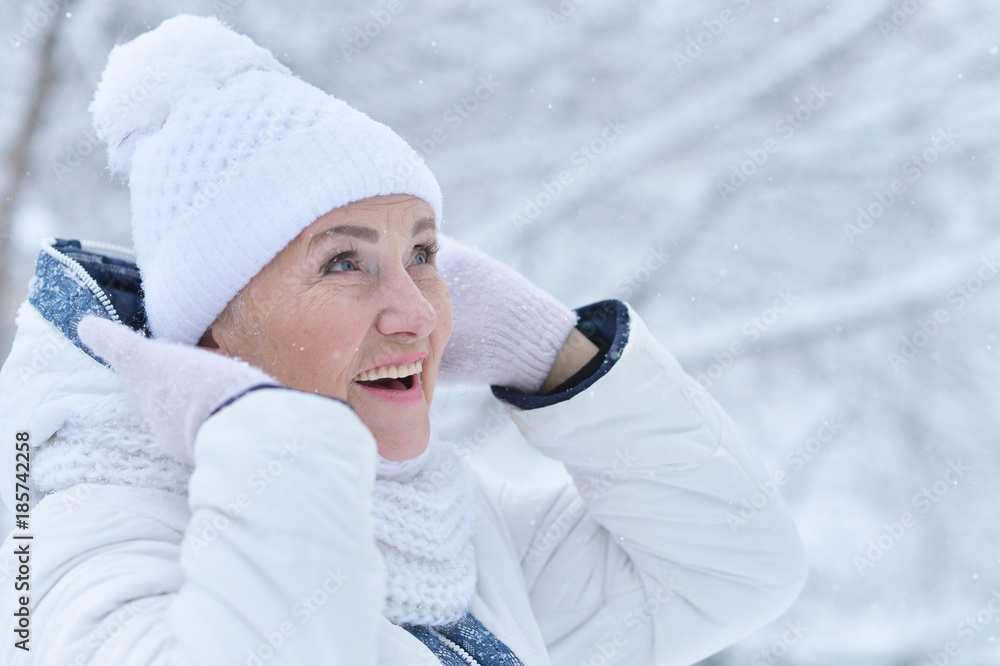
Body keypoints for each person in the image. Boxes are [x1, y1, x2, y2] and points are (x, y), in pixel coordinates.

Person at [0, 15, 807, 666]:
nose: (417, 312)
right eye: (344, 262)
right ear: (211, 336)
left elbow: (728, 571)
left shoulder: (439, 536)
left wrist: (556, 353)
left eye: (422, 254)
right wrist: (270, 433)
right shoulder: (78, 556)